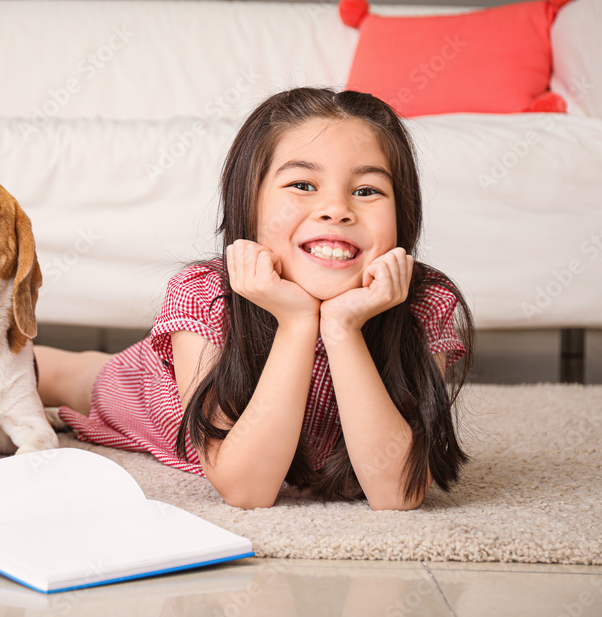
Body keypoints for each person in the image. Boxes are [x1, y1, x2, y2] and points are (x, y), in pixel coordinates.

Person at [34, 87, 474, 511]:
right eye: (303, 185)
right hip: (154, 390)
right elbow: (245, 489)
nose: (337, 209)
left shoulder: (422, 304)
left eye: (366, 191)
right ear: (249, 204)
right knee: (66, 377)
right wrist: (298, 322)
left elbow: (397, 494)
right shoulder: (207, 296)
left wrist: (342, 328)